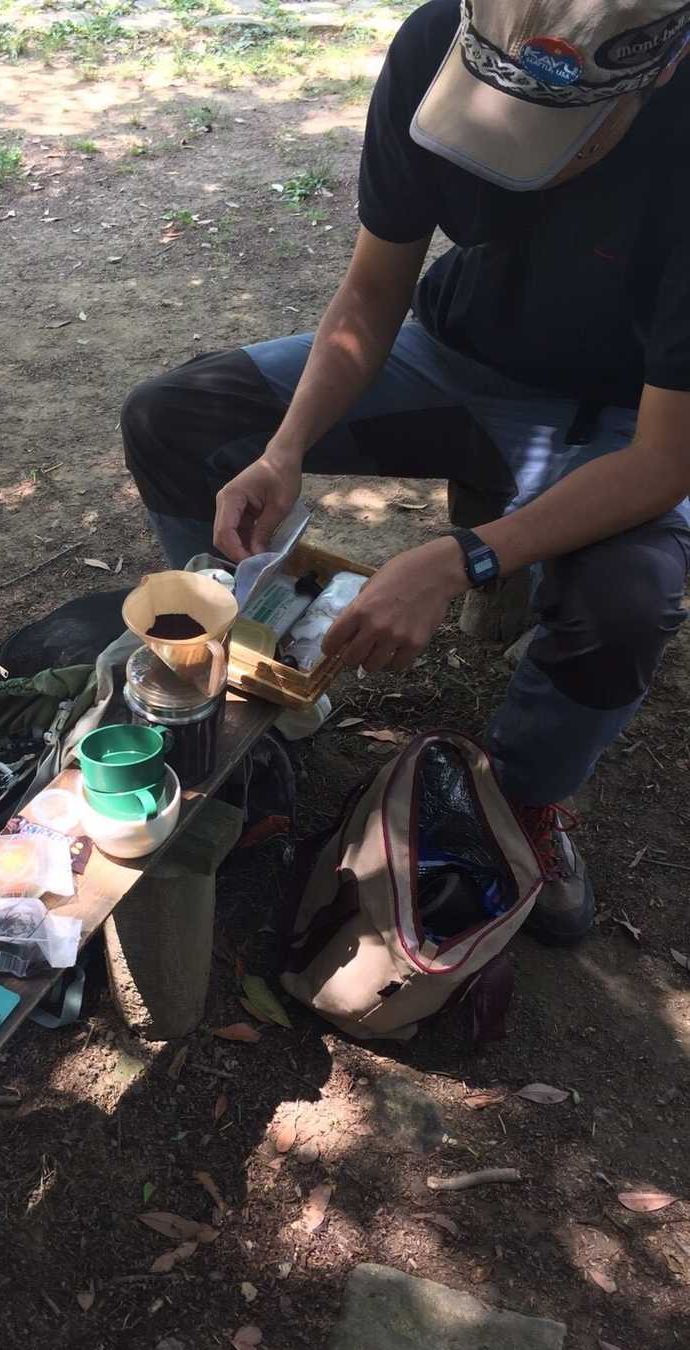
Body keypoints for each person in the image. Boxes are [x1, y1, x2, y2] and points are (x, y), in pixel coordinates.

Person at [121, 0, 690, 946]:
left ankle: (521, 801)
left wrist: (463, 557)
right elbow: (374, 288)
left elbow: (665, 459)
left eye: (550, 132)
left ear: (658, 71)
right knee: (172, 416)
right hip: (451, 358)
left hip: (625, 418)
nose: (505, 155)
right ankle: (249, 664)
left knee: (626, 602)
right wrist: (285, 448)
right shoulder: (436, 42)